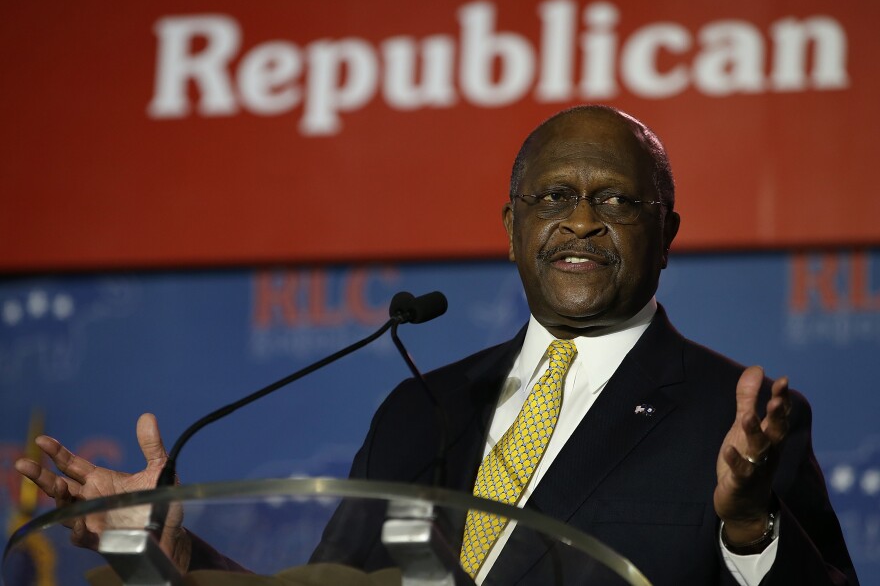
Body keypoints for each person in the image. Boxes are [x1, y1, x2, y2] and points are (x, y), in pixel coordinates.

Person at [15, 105, 858, 585]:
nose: (580, 220)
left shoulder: (734, 418)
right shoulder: (420, 408)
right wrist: (173, 553)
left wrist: (750, 531)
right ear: (513, 226)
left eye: (617, 202)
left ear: (667, 232)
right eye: (554, 195)